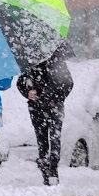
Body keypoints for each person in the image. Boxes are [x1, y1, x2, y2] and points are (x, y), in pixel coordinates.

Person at [16, 42, 74, 185]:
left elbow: (68, 83)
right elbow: (20, 82)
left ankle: (53, 169)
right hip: (36, 109)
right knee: (42, 140)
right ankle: (45, 170)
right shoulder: (30, 66)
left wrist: (56, 98)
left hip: (54, 108)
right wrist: (28, 92)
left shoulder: (57, 63)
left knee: (54, 139)